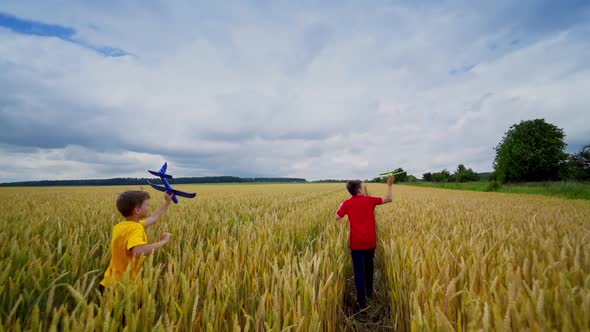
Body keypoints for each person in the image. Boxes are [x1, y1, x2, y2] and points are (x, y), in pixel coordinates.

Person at [335, 175, 394, 309]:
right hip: (370, 242)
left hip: (356, 244)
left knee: (359, 272)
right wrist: (389, 185)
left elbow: (337, 217)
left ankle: (362, 301)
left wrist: (340, 206)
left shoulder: (347, 203)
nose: (365, 190)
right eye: (363, 187)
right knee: (369, 267)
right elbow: (389, 199)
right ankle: (370, 292)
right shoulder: (369, 201)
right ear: (359, 191)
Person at [99, 190, 173, 292]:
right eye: (147, 205)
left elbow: (153, 218)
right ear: (137, 210)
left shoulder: (120, 226)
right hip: (122, 286)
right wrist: (164, 241)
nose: (149, 207)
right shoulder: (136, 229)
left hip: (108, 282)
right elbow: (138, 251)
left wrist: (167, 203)